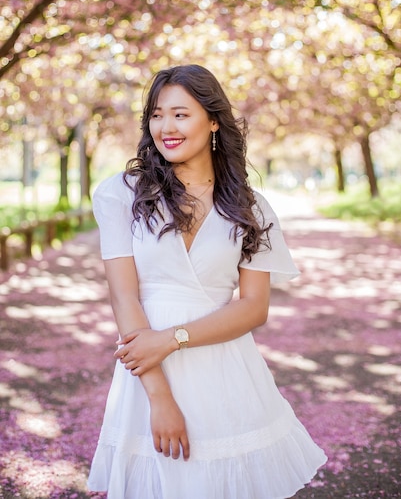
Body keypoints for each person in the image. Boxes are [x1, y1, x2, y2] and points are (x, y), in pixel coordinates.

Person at [88, 64, 327, 499]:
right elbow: (125, 296)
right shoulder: (121, 194)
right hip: (148, 375)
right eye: (157, 115)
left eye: (180, 114)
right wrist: (159, 397)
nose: (166, 127)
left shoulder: (250, 207)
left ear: (213, 120)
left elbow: (254, 306)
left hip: (226, 369)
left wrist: (172, 338)